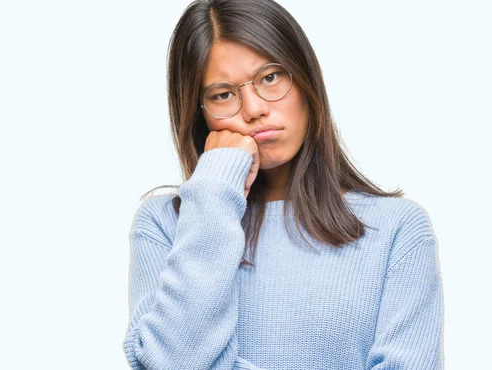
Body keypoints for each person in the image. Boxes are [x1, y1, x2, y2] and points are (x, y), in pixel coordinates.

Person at [121, 0, 444, 368]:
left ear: (306, 78)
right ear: (199, 113)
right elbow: (171, 362)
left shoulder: (397, 229)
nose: (254, 108)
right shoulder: (165, 224)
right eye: (223, 94)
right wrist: (213, 193)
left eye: (270, 77)